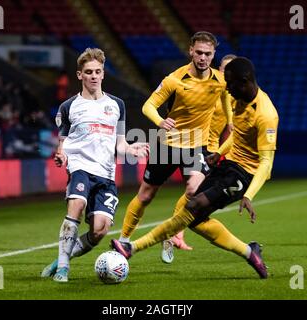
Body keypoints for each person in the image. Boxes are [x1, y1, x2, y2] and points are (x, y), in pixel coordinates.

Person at [111, 57, 279, 279]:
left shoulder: (266, 114)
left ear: (244, 81)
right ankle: (250, 252)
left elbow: (266, 163)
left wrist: (248, 195)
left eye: (230, 83)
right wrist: (218, 154)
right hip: (224, 162)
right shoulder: (237, 98)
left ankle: (132, 248)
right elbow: (237, 134)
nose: (226, 88)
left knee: (193, 205)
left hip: (245, 173)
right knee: (192, 216)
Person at [118, 31, 233, 264]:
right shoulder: (175, 79)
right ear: (191, 51)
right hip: (166, 145)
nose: (202, 58)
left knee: (194, 191)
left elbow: (225, 103)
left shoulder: (220, 81)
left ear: (213, 55)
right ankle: (123, 240)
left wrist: (230, 123)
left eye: (207, 54)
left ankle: (169, 235)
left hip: (196, 147)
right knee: (146, 195)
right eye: (198, 52)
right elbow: (148, 106)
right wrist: (160, 121)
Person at [40, 48, 148, 282]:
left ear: (103, 74)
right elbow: (63, 145)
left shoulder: (117, 105)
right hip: (80, 168)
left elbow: (120, 145)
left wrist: (131, 149)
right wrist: (61, 157)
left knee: (99, 231)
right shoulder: (68, 107)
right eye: (88, 72)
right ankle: (63, 268)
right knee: (76, 205)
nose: (94, 76)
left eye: (98, 71)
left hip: (106, 175)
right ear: (80, 75)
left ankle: (60, 258)